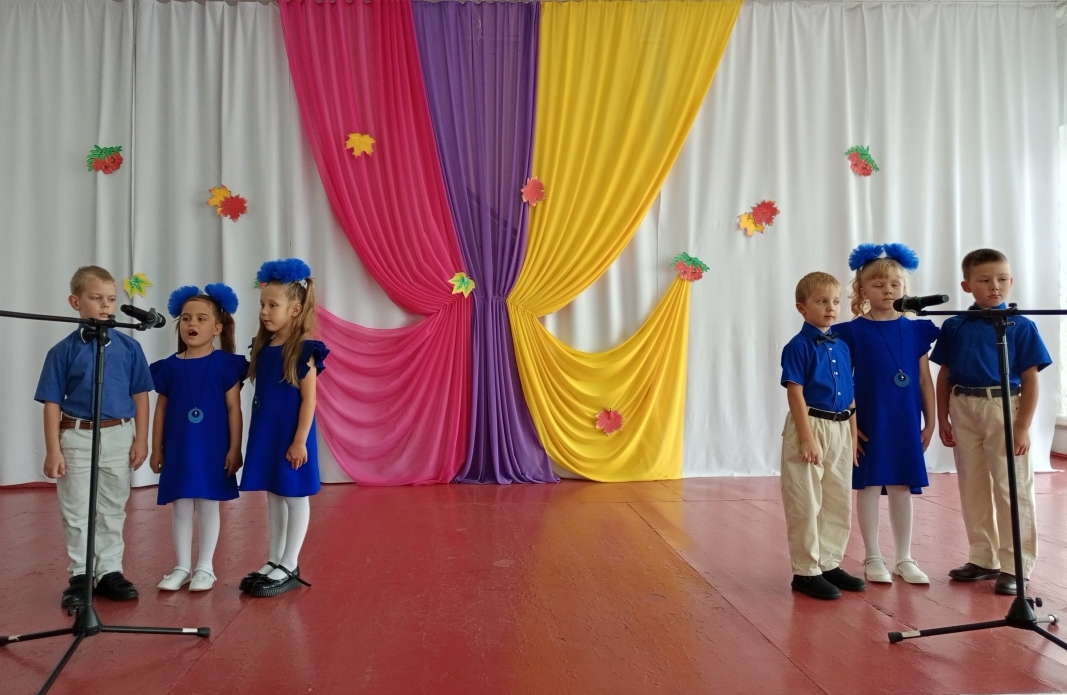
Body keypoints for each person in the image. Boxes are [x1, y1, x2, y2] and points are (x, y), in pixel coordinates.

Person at [931, 248, 1051, 596]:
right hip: (963, 406)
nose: (994, 286)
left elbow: (1030, 379)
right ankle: (983, 557)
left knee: (1011, 487)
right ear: (967, 286)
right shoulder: (955, 326)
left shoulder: (1020, 326)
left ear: (1011, 281)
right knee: (973, 484)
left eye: (1001, 279)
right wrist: (943, 417)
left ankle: (1017, 565)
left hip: (1003, 407)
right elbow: (944, 373)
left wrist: (1023, 426)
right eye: (984, 280)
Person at [35, 265, 153, 608]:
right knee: (76, 509)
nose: (105, 305)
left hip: (118, 434)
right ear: (75, 302)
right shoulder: (62, 351)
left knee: (112, 507)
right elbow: (52, 403)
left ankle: (110, 570)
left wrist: (141, 439)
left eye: (111, 299)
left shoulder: (129, 348)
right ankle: (81, 574)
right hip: (77, 436)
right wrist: (53, 450)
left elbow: (141, 396)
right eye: (96, 298)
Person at [836, 244, 939, 586]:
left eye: (895, 284)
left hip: (905, 420)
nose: (888, 290)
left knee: (901, 485)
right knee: (869, 484)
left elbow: (923, 379)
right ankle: (872, 555)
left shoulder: (916, 330)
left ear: (904, 288)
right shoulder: (852, 332)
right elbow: (844, 381)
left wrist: (931, 422)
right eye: (879, 285)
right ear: (863, 290)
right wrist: (851, 425)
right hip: (870, 419)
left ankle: (904, 557)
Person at [150, 284, 248, 592]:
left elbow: (234, 409)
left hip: (212, 447)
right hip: (179, 447)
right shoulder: (169, 367)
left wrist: (235, 448)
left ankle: (205, 567)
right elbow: (160, 410)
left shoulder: (226, 365)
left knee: (207, 504)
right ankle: (182, 566)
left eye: (201, 318)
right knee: (180, 505)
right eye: (186, 318)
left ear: (217, 327)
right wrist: (156, 448)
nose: (192, 324)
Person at [239, 258, 328, 598]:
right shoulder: (264, 348)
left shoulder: (304, 350)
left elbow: (309, 400)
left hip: (291, 437)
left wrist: (300, 441)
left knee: (294, 495)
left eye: (272, 305)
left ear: (295, 309)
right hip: (267, 434)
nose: (264, 311)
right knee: (274, 495)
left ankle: (290, 563)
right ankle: (275, 559)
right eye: (262, 305)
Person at [780, 271, 864, 600]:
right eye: (821, 301)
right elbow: (795, 393)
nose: (831, 308)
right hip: (811, 425)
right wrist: (806, 438)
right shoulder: (798, 346)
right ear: (802, 307)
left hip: (841, 427)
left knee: (837, 498)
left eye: (836, 301)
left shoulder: (842, 346)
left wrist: (852, 435)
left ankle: (829, 561)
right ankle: (806, 570)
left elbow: (850, 394)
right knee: (805, 499)